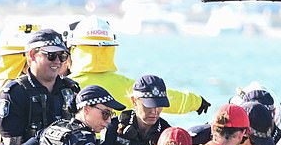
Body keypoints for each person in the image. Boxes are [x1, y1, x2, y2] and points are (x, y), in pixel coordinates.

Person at [67, 15, 210, 114]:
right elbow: (164, 98)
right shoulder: (127, 86)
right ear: (111, 48)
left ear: (73, 48)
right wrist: (196, 102)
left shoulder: (65, 86)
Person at [0, 28, 79, 145]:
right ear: (32, 55)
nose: (57, 61)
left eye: (62, 56)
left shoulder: (70, 90)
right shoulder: (14, 94)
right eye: (51, 56)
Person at [98, 75, 171, 145]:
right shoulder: (113, 127)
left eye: (159, 105)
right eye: (149, 105)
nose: (154, 111)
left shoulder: (167, 134)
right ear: (134, 101)